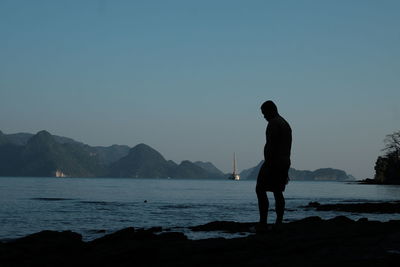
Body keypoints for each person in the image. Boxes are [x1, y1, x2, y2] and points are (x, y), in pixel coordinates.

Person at [256, 100, 292, 229]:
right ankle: (279, 222)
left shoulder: (274, 123)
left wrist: (269, 163)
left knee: (260, 189)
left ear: (271, 110)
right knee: (277, 191)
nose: (264, 116)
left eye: (264, 113)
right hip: (284, 162)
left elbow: (272, 144)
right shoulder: (285, 123)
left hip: (273, 162)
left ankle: (263, 222)